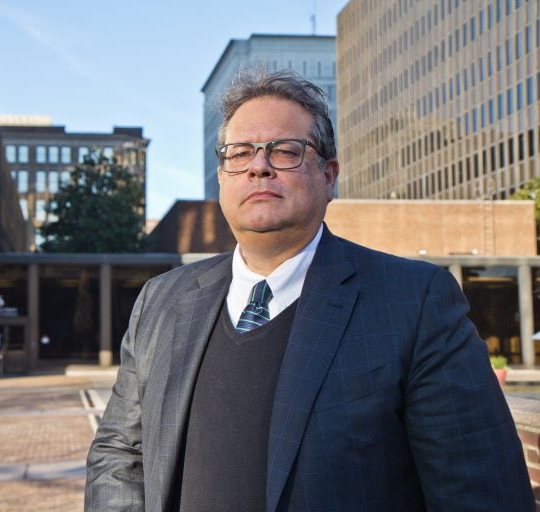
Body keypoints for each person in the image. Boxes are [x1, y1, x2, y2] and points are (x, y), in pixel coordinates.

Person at [85, 69, 533, 511]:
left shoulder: (414, 303)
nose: (258, 167)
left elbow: (480, 491)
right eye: (240, 153)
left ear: (329, 174)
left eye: (285, 151)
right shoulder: (161, 301)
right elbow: (120, 454)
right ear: (222, 176)